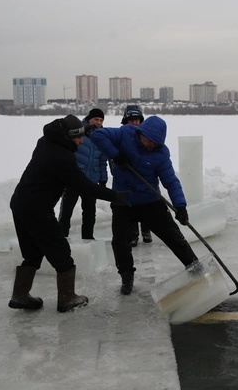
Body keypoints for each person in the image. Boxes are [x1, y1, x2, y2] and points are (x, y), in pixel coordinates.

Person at [8, 114, 129, 313]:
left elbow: (69, 135)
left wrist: (84, 130)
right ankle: (67, 298)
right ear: (67, 137)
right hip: (38, 210)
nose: (81, 142)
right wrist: (115, 196)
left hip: (20, 204)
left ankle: (20, 296)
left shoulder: (46, 141)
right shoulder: (62, 158)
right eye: (78, 138)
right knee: (62, 254)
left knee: (33, 253)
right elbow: (85, 186)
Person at [91, 115, 198, 295]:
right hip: (122, 200)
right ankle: (127, 277)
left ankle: (195, 267)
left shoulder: (161, 154)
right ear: (141, 133)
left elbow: (171, 181)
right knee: (120, 242)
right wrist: (116, 155)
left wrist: (181, 206)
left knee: (174, 237)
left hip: (150, 201)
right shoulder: (125, 133)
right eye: (150, 141)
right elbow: (98, 136)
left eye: (157, 143)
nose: (152, 145)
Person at [58, 108, 108, 240]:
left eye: (101, 120)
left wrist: (103, 179)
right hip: (73, 179)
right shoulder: (77, 131)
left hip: (91, 180)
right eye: (96, 119)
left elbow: (103, 161)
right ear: (89, 119)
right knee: (66, 212)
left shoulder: (102, 137)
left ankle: (88, 238)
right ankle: (61, 237)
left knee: (90, 212)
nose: (98, 122)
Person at [119, 105, 152, 246]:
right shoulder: (120, 135)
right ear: (126, 120)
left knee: (145, 204)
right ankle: (133, 234)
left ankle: (146, 230)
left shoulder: (146, 135)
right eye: (131, 120)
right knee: (130, 205)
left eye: (137, 120)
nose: (134, 123)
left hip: (143, 176)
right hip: (126, 176)